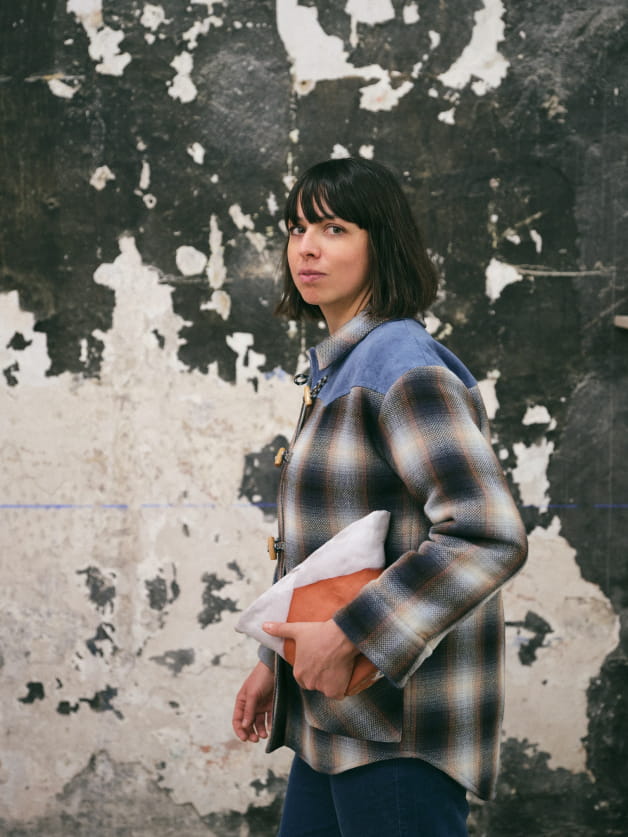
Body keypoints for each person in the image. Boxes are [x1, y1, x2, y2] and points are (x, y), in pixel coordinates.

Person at [232, 157, 528, 837]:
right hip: (336, 713)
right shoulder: (342, 366)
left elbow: (486, 532)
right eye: (297, 227)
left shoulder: (403, 368)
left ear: (381, 243)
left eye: (334, 228)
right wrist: (274, 663)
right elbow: (333, 544)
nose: (306, 247)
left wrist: (351, 634)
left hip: (398, 724)